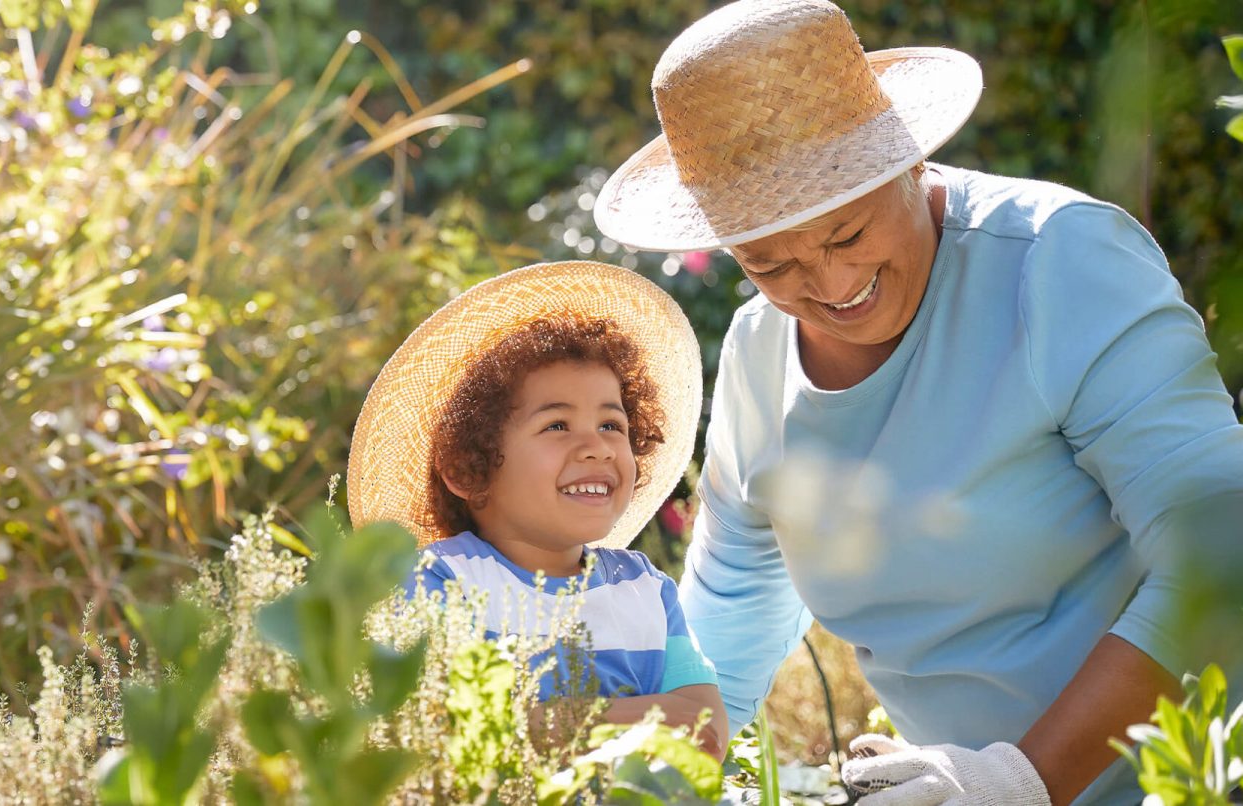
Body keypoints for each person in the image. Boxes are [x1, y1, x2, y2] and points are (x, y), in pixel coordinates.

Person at [591, 1, 1243, 804]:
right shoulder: (760, 355)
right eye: (769, 262)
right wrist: (643, 781)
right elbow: (731, 618)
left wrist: (1020, 780)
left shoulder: (1059, 264)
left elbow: (1222, 554)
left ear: (905, 159)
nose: (830, 287)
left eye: (846, 234)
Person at [347, 261, 728, 755]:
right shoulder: (441, 581)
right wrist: (649, 717)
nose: (598, 448)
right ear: (468, 469)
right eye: (557, 426)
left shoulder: (646, 589)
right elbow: (456, 730)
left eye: (613, 426)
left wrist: (550, 721)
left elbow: (706, 730)